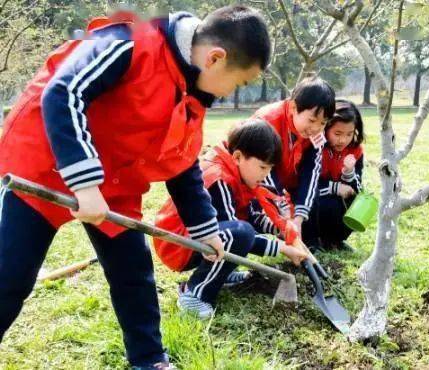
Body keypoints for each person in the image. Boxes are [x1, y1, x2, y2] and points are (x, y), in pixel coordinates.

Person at [0, 6, 271, 369]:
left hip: (115, 183)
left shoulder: (192, 93)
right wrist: (85, 183)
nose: (229, 93)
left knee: (133, 273)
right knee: (11, 276)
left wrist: (205, 229)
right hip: (43, 167)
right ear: (215, 58)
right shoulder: (129, 43)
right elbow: (62, 93)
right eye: (237, 83)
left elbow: (182, 160)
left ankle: (149, 360)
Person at [153, 119, 308, 318]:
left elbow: (250, 214)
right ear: (237, 156)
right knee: (241, 234)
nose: (266, 174)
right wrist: (282, 248)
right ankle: (194, 293)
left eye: (270, 168)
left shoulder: (237, 172)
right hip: (177, 244)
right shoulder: (220, 180)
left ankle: (221, 275)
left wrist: (278, 230)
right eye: (262, 168)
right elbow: (239, 236)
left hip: (197, 239)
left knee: (241, 231)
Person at [253, 77, 335, 249]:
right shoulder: (267, 121)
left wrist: (299, 216)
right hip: (260, 177)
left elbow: (312, 171)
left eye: (323, 123)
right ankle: (283, 243)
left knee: (311, 196)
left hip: (291, 177)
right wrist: (284, 212)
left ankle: (311, 244)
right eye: (312, 121)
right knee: (269, 214)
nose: (315, 128)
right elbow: (263, 171)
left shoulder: (316, 133)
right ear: (293, 107)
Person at [304, 100, 364, 251]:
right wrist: (335, 187)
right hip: (316, 201)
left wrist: (349, 173)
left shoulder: (355, 150)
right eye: (337, 133)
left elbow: (357, 188)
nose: (343, 140)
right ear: (326, 128)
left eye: (349, 134)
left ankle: (335, 240)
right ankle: (312, 241)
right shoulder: (315, 146)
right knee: (325, 203)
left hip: (337, 201)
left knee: (358, 202)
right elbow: (305, 185)